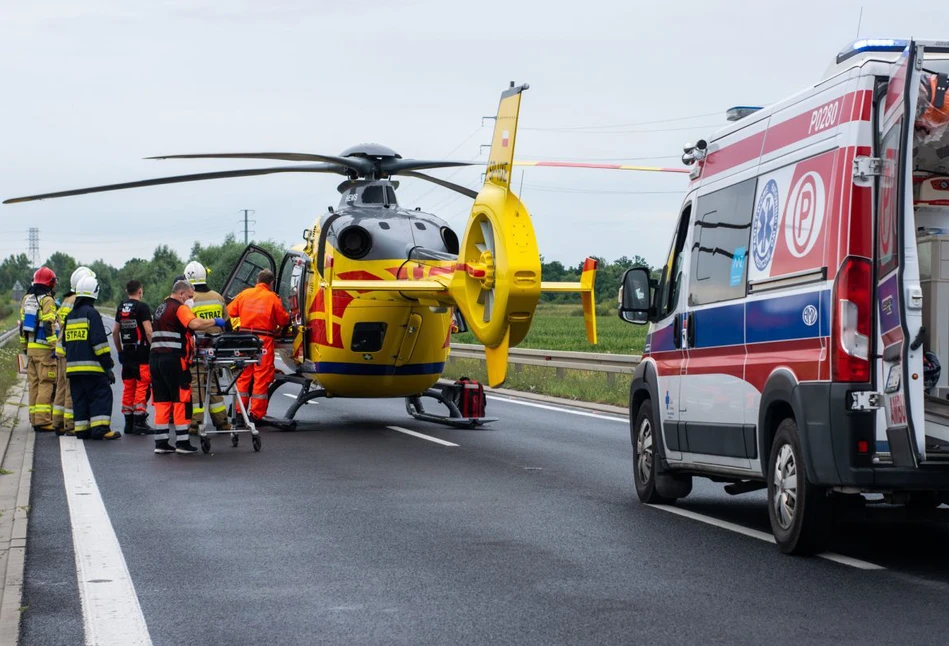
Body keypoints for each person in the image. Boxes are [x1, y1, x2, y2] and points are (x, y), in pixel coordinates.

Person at [150, 280, 224, 454]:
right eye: (189, 296)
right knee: (181, 399)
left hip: (155, 359)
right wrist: (216, 321)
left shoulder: (161, 308)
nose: (190, 300)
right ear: (181, 293)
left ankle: (161, 443)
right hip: (173, 360)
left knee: (162, 401)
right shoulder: (179, 307)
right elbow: (195, 325)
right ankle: (182, 442)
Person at [227, 269, 290, 423]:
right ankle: (255, 415)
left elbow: (230, 312)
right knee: (261, 378)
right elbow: (283, 320)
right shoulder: (272, 298)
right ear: (271, 283)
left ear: (257, 281)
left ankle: (239, 413)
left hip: (245, 339)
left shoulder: (244, 294)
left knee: (243, 376)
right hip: (263, 341)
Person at [63, 275, 120, 440]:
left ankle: (82, 430)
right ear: (94, 292)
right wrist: (108, 366)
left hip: (73, 369)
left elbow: (66, 343)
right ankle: (100, 429)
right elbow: (99, 343)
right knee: (102, 394)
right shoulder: (92, 314)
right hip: (92, 369)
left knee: (80, 398)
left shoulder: (70, 315)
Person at [183, 261, 231, 435]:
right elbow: (228, 324)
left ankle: (195, 423)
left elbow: (185, 324)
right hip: (215, 350)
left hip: (196, 350)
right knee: (213, 385)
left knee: (196, 386)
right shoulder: (218, 297)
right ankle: (222, 422)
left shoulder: (189, 299)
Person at [52, 266, 95, 435]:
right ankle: (70, 423)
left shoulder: (66, 300)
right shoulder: (78, 300)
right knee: (71, 387)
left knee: (61, 386)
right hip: (70, 350)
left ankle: (58, 422)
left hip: (60, 348)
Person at [19, 267, 59, 432]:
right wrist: (54, 346)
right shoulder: (47, 300)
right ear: (50, 283)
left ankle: (34, 419)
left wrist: (25, 347)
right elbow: (49, 325)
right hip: (44, 349)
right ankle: (43, 421)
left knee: (33, 384)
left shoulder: (27, 298)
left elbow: (23, 325)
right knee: (46, 383)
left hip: (31, 348)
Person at [114, 280, 154, 435]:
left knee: (129, 386)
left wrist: (119, 351)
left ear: (126, 290)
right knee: (142, 385)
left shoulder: (121, 307)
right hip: (142, 353)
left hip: (127, 352)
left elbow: (115, 331)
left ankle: (128, 423)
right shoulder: (142, 308)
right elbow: (149, 332)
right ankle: (140, 422)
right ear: (140, 291)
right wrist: (155, 348)